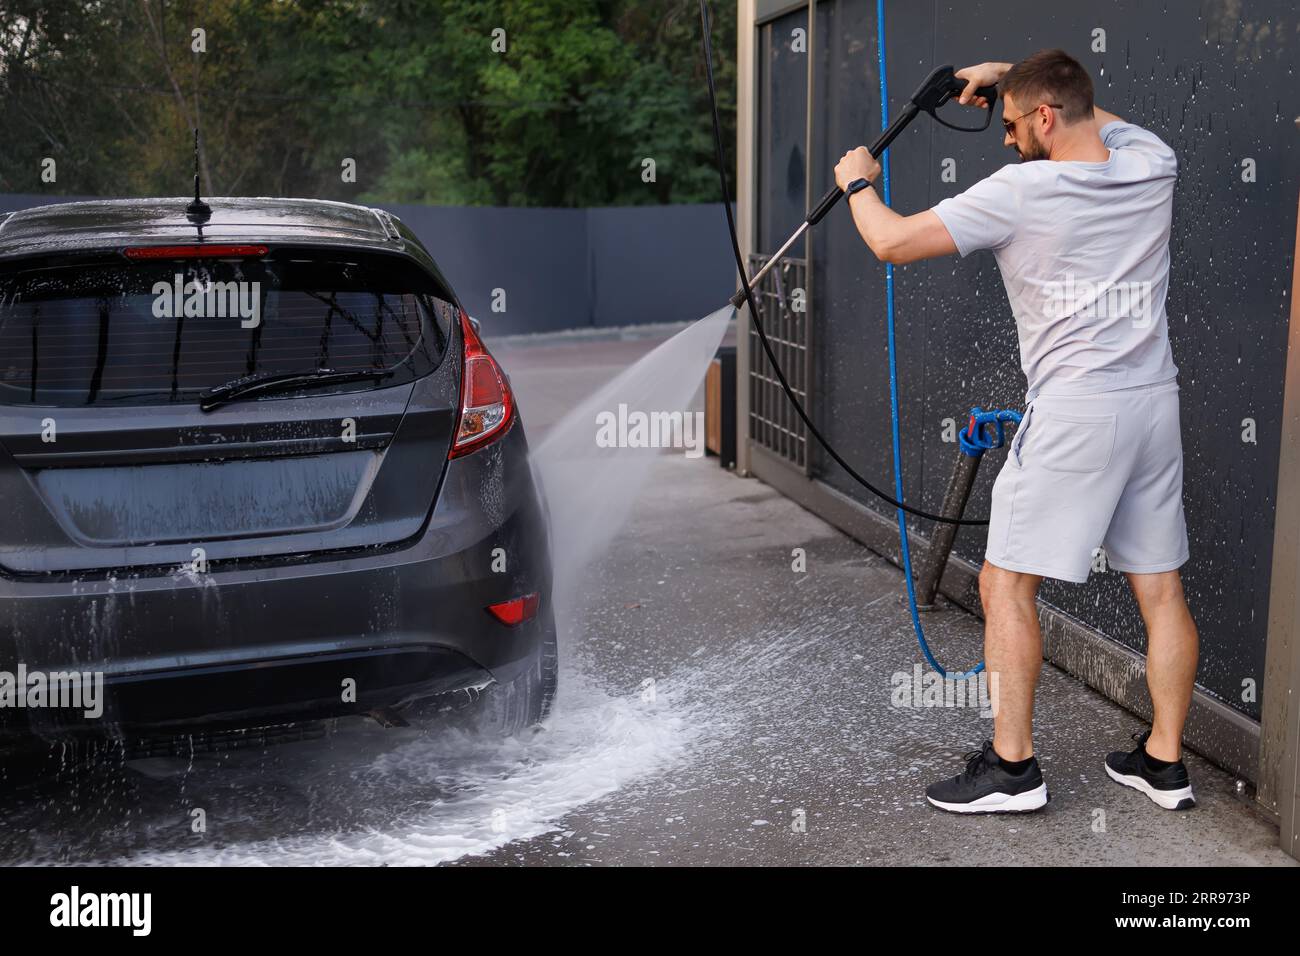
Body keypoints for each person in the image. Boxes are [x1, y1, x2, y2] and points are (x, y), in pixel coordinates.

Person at [832, 49, 1198, 813]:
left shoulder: (1023, 191)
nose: (1002, 138)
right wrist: (1014, 77)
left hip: (1076, 413)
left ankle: (1012, 769)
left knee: (1003, 583)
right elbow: (1092, 115)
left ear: (1041, 117)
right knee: (1160, 589)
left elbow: (891, 241)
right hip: (1152, 403)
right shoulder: (1149, 162)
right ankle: (1164, 763)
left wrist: (858, 181)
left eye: (1009, 123)